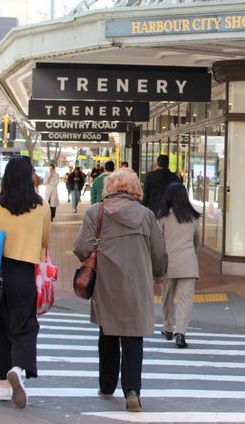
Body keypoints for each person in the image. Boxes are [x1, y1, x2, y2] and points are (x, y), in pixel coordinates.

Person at [73, 168, 167, 412]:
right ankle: (132, 392)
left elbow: (81, 248)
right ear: (135, 189)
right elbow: (159, 252)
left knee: (108, 332)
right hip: (138, 284)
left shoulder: (97, 212)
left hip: (106, 283)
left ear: (109, 188)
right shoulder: (146, 215)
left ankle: (106, 385)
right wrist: (158, 273)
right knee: (133, 337)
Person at [0, 156, 50, 408]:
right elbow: (44, 242)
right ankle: (18, 369)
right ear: (30, 176)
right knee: (25, 326)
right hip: (23, 274)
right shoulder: (41, 206)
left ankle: (3, 386)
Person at [157, 182, 201, 348]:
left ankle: (168, 327)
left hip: (168, 263)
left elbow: (157, 241)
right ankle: (180, 333)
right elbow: (197, 242)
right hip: (188, 263)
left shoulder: (163, 217)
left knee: (166, 297)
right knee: (185, 300)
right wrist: (192, 255)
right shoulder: (193, 217)